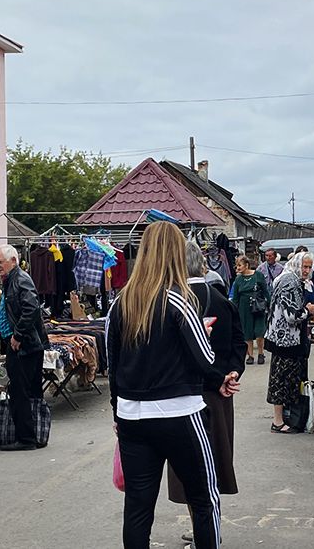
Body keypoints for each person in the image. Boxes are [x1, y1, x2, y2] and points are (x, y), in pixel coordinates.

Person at [106, 221, 227, 549]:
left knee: (138, 507)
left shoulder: (121, 303)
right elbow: (205, 359)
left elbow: (111, 364)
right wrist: (209, 346)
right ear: (175, 253)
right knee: (204, 500)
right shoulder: (179, 301)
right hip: (181, 414)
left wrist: (118, 413)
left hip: (132, 418)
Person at [171, 243, 243, 547]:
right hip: (221, 394)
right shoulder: (223, 301)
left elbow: (178, 355)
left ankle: (202, 527)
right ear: (202, 264)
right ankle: (210, 523)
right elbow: (240, 343)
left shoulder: (175, 305)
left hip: (187, 395)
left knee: (188, 465)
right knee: (215, 460)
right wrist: (232, 374)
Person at [0, 244, 50, 452]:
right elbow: (14, 310)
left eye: (0, 262)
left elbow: (31, 308)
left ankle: (26, 438)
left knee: (20, 391)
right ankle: (36, 435)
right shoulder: (11, 280)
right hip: (25, 344)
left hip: (24, 346)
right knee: (30, 391)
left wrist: (18, 335)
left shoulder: (20, 279)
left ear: (13, 261)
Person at [265, 253, 314, 434]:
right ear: (297, 265)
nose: (307, 271)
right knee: (281, 381)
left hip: (280, 338)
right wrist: (308, 309)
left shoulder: (285, 277)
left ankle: (283, 419)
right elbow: (293, 316)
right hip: (286, 340)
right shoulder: (292, 283)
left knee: (281, 379)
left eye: (309, 267)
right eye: (304, 267)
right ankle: (278, 422)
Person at [230, 255, 269, 365]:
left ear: (246, 265)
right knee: (246, 332)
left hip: (258, 306)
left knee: (259, 331)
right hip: (244, 308)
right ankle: (250, 355)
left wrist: (270, 304)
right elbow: (236, 297)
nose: (237, 268)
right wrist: (233, 311)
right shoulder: (238, 280)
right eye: (236, 265)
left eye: (239, 265)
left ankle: (261, 353)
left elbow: (265, 291)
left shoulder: (258, 275)